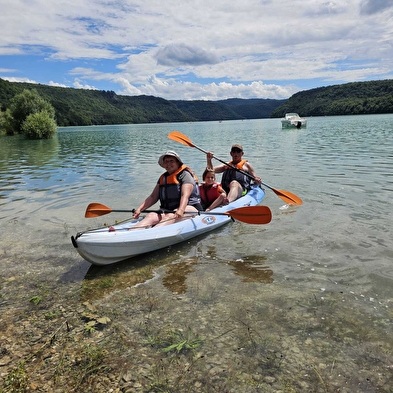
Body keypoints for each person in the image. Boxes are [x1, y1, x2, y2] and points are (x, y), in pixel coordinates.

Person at [131, 151, 203, 229]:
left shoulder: (185, 175)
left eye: (171, 161)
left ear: (178, 163)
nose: (168, 164)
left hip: (190, 207)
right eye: (166, 161)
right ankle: (130, 233)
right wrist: (139, 209)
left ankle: (152, 233)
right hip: (168, 209)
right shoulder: (163, 177)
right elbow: (153, 197)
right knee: (150, 215)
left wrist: (181, 210)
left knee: (170, 216)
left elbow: (185, 195)